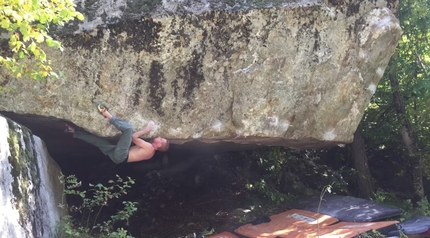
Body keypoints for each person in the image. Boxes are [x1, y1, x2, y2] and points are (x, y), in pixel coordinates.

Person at [65, 103, 169, 164]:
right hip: (118, 158)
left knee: (128, 129)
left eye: (161, 139)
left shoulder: (150, 148)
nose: (159, 137)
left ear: (159, 145)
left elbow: (133, 137)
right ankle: (74, 132)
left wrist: (147, 129)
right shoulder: (151, 153)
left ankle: (106, 113)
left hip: (121, 155)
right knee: (98, 141)